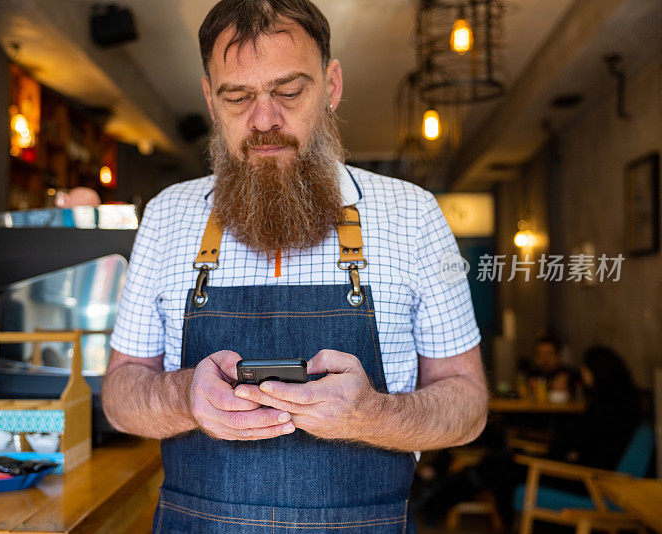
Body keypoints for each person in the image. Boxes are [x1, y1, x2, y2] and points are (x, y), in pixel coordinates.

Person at [102, 1, 487, 531]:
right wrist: (184, 396)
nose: (265, 120)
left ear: (330, 87)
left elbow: (468, 405)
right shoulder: (169, 215)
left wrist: (369, 415)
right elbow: (121, 395)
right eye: (237, 96)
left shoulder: (414, 215)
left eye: (289, 91)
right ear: (210, 101)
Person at [420, 345, 642, 528]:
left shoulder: (604, 410)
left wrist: (559, 452)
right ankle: (435, 498)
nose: (583, 375)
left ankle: (434, 499)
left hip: (581, 479)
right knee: (499, 463)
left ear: (596, 372)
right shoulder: (621, 406)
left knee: (498, 467)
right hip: (579, 473)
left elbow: (570, 444)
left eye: (586, 369)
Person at [525, 333, 576, 398]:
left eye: (549, 354)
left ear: (558, 356)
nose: (545, 358)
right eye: (541, 354)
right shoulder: (532, 373)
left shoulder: (568, 373)